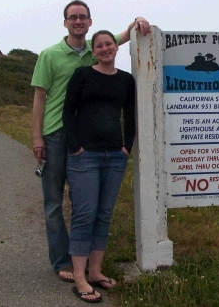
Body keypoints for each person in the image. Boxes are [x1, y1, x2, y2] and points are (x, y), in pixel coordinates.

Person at [31, 0, 149, 284]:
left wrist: (137, 21)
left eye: (83, 17)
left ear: (89, 21)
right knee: (53, 202)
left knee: (83, 204)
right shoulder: (50, 55)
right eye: (73, 17)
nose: (78, 21)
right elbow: (39, 97)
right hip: (55, 134)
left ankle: (81, 261)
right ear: (65, 22)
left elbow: (117, 39)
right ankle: (62, 262)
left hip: (84, 138)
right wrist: (37, 137)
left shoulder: (91, 52)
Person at [62, 30, 135, 302]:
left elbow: (130, 115)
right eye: (100, 46)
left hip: (115, 156)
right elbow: (68, 112)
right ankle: (80, 277)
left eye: (109, 44)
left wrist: (127, 147)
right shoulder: (83, 75)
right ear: (94, 51)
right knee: (85, 214)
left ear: (116, 47)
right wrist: (75, 148)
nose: (105, 48)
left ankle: (95, 272)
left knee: (104, 214)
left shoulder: (126, 80)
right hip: (85, 156)